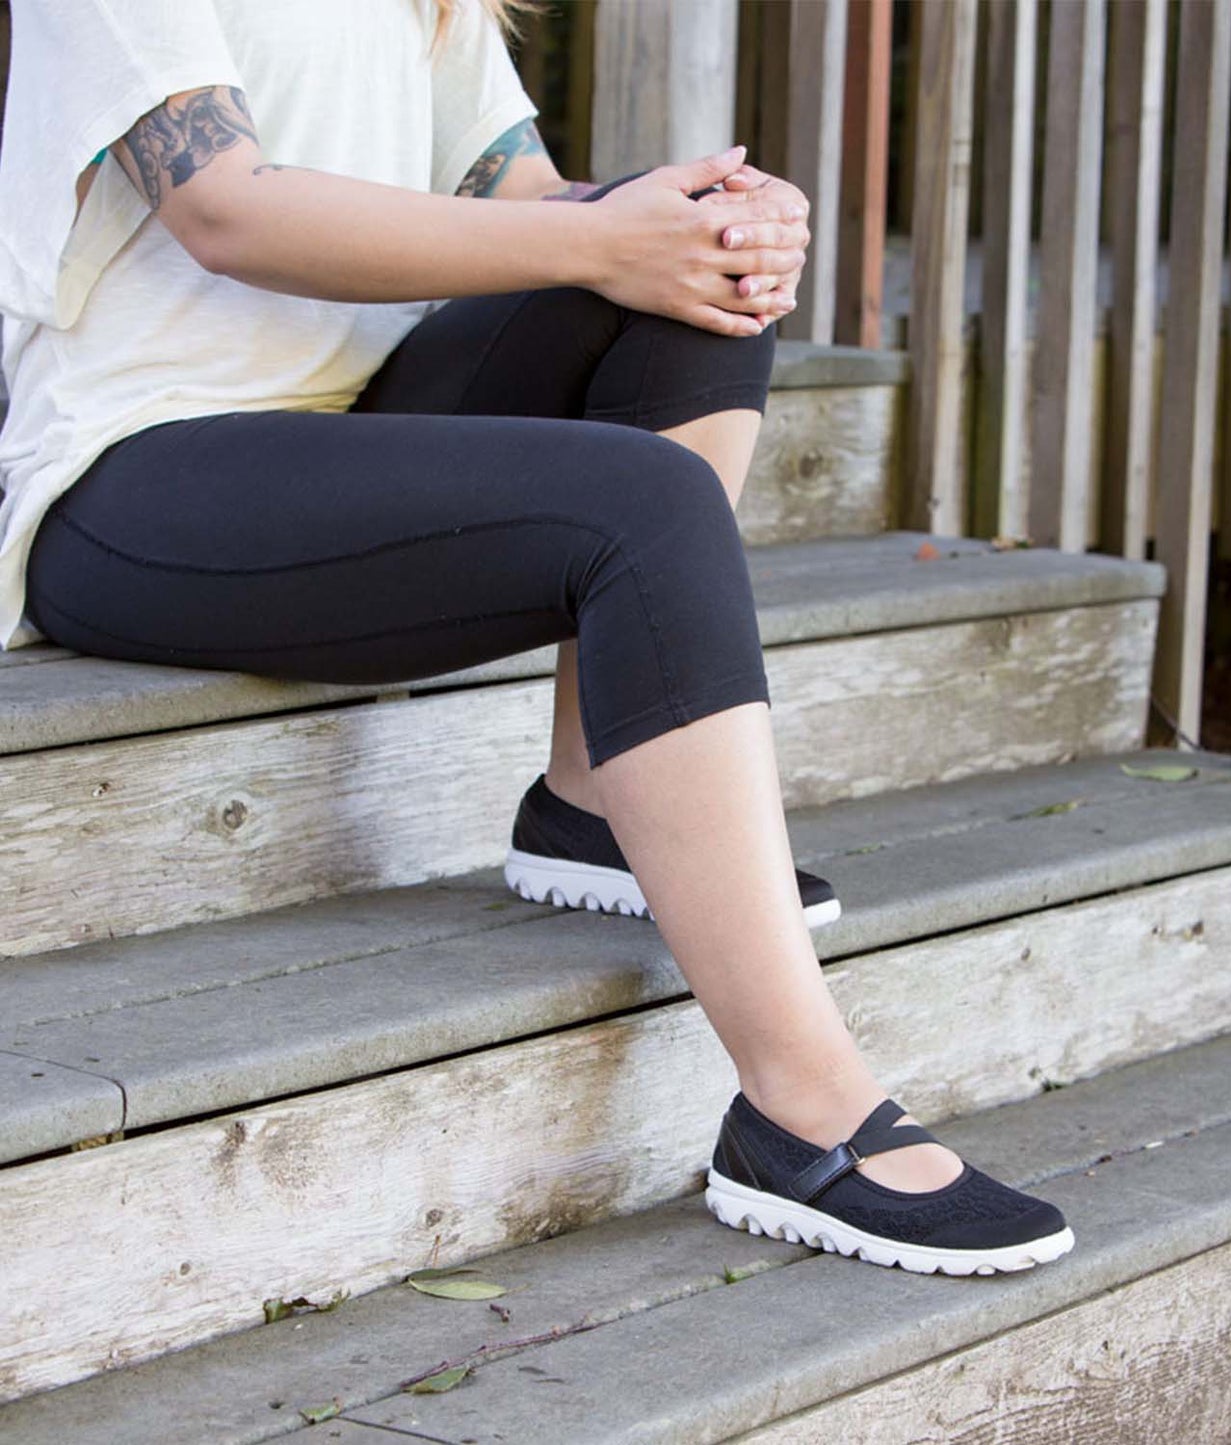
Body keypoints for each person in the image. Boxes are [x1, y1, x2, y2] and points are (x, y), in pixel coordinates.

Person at [0, 0, 1073, 1276]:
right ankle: (801, 1111)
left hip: (358, 428)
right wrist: (603, 236)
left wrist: (691, 221)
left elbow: (525, 193)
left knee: (696, 274)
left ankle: (591, 799)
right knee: (647, 492)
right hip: (138, 479)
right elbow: (224, 207)